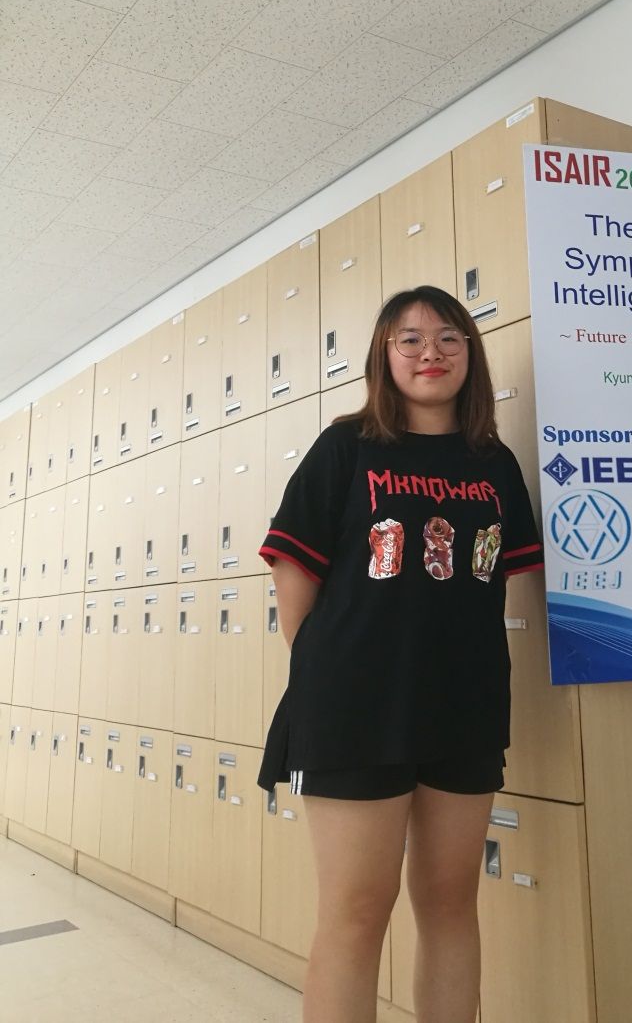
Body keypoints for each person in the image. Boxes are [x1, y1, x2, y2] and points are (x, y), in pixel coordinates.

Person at [257, 285, 544, 1023]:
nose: (430, 353)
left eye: (449, 338)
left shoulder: (493, 462)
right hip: (355, 706)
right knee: (356, 911)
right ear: (383, 356)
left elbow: (499, 575)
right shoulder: (346, 448)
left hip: (465, 705)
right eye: (409, 339)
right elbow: (294, 575)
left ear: (470, 355)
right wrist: (336, 671)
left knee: (450, 903)